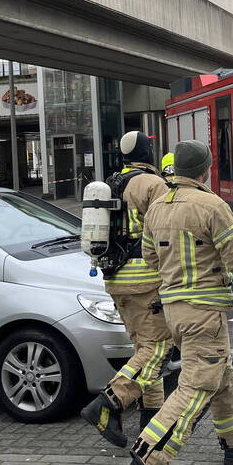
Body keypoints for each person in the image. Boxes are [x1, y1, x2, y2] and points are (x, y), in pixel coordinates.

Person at [116, 140, 233, 465]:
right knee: (195, 388)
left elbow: (150, 257)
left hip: (173, 310)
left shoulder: (157, 207)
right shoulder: (211, 205)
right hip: (204, 310)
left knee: (221, 375)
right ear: (206, 169)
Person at [80, 131, 174, 447]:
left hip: (115, 279)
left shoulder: (112, 182)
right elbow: (166, 234)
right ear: (149, 152)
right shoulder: (153, 185)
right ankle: (107, 404)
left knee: (144, 351)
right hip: (146, 281)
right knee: (156, 350)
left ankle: (150, 430)